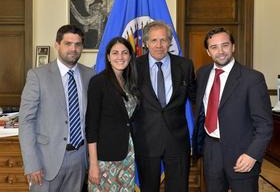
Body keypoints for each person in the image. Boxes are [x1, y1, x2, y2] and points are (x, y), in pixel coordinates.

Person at [192, 27, 273, 192]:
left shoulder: (252, 79)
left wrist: (252, 154)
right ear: (208, 51)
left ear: (233, 47)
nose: (220, 51)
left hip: (242, 153)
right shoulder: (202, 74)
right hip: (211, 150)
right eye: (214, 47)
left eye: (225, 45)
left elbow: (265, 124)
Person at [19, 24, 95, 192]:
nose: (73, 49)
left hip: (79, 160)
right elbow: (26, 122)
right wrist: (31, 163)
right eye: (68, 43)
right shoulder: (37, 75)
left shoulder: (90, 75)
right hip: (46, 161)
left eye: (78, 44)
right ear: (57, 45)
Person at [133, 21, 196, 192]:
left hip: (177, 141)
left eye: (163, 40)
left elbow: (196, 99)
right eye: (154, 40)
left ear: (170, 42)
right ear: (146, 43)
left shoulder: (185, 66)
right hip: (146, 141)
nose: (159, 45)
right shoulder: (134, 66)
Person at [85, 37, 139, 191]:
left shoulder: (131, 82)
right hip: (105, 157)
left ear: (130, 56)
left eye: (124, 53)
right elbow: (92, 125)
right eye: (115, 53)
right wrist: (93, 164)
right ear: (108, 57)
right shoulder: (98, 82)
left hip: (128, 154)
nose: (120, 57)